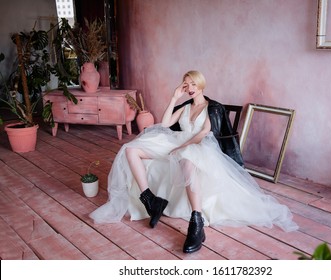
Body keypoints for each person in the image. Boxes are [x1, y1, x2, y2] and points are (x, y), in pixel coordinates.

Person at [90, 70, 298, 253]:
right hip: (176, 141)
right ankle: (151, 200)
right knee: (131, 149)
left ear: (201, 85)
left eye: (193, 84)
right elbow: (166, 123)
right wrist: (173, 98)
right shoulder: (186, 106)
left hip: (197, 144)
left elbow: (205, 132)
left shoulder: (211, 107)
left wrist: (183, 147)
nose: (189, 88)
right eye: (186, 84)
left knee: (187, 160)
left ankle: (196, 221)